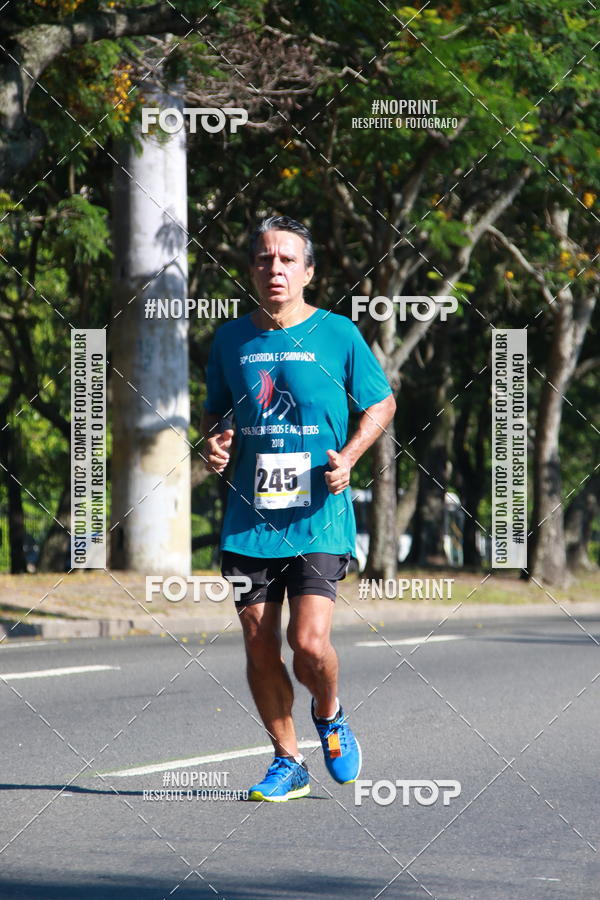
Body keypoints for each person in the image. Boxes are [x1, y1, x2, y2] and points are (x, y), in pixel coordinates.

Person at [203, 215, 396, 801]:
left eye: (288, 259)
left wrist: (352, 457)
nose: (275, 268)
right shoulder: (231, 339)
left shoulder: (338, 334)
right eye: (265, 259)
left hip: (319, 515)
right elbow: (215, 414)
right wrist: (214, 443)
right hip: (248, 522)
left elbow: (382, 402)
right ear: (252, 270)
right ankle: (288, 761)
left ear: (309, 271)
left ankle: (330, 713)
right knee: (260, 644)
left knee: (308, 645)